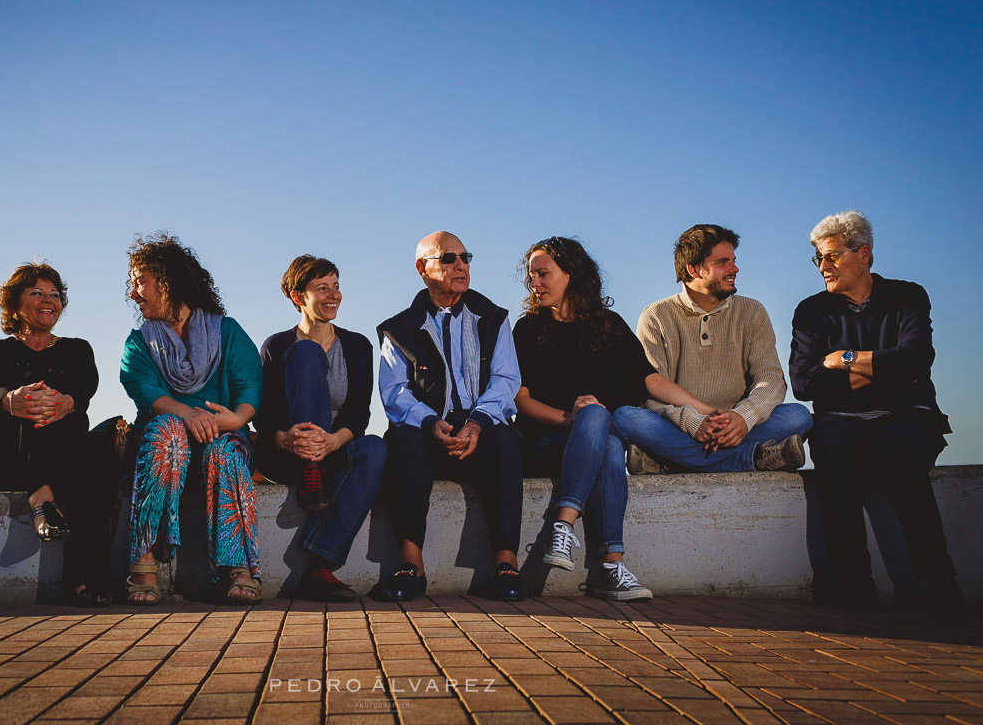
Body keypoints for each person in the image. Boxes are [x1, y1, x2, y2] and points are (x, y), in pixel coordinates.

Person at [515, 237, 719, 600]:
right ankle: (610, 564)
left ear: (572, 275)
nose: (535, 284)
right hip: (545, 441)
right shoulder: (527, 330)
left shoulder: (608, 325)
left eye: (543, 274)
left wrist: (707, 412)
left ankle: (566, 530)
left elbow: (651, 380)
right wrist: (570, 419)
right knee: (597, 422)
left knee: (605, 435)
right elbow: (520, 400)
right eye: (531, 277)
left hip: (599, 439)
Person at [790, 210, 960, 609]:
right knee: (831, 446)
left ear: (863, 254)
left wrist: (844, 359)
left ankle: (936, 582)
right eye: (818, 258)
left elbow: (917, 361)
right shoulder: (811, 311)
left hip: (909, 413)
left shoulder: (907, 296)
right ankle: (851, 584)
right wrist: (885, 369)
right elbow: (804, 383)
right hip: (841, 420)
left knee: (897, 450)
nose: (823, 267)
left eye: (832, 256)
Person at [377, 231, 526, 602]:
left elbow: (507, 379)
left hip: (480, 428)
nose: (461, 265)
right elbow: (394, 393)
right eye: (448, 259)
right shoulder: (398, 329)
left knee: (506, 438)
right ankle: (411, 565)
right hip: (429, 432)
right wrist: (430, 422)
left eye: (465, 257)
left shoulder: (493, 318)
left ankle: (507, 563)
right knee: (401, 437)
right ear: (422, 269)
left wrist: (477, 422)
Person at [120, 233, 263, 605]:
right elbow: (144, 390)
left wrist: (236, 420)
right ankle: (144, 564)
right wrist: (187, 413)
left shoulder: (226, 331)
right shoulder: (139, 342)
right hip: (164, 443)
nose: (134, 293)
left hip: (222, 435)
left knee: (226, 452)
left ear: (169, 280)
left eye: (139, 281)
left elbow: (249, 385)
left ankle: (239, 568)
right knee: (167, 433)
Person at [0, 262, 116, 606]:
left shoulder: (78, 348)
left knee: (94, 462)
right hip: (6, 456)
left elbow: (84, 388)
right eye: (36, 292)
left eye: (54, 294)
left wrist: (65, 401)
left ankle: (78, 573)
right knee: (31, 406)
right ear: (14, 303)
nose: (47, 300)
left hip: (66, 452)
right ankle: (42, 495)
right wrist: (10, 401)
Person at [615, 224, 812, 474]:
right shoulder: (656, 316)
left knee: (798, 416)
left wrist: (744, 417)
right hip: (681, 426)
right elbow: (652, 393)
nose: (735, 269)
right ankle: (751, 459)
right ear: (694, 269)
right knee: (628, 417)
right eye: (723, 262)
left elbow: (771, 380)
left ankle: (673, 461)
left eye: (734, 261)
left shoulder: (752, 312)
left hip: (739, 426)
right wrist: (694, 422)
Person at [256, 255, 388, 602]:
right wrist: (283, 439)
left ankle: (319, 566)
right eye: (322, 288)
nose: (334, 295)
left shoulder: (357, 346)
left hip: (332, 449)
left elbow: (359, 412)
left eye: (336, 287)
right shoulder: (277, 346)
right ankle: (309, 470)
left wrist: (331, 443)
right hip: (288, 452)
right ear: (299, 297)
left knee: (374, 447)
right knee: (306, 354)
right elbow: (263, 412)